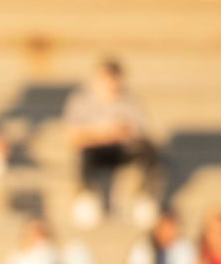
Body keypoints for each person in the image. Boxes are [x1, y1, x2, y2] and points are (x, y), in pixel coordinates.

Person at [64, 58, 164, 216]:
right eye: (106, 79)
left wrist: (122, 133)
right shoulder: (80, 101)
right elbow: (73, 136)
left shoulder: (131, 102)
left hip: (122, 150)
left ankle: (144, 197)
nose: (110, 84)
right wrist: (105, 133)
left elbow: (143, 134)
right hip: (94, 149)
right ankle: (86, 198)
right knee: (83, 155)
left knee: (148, 152)